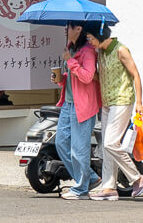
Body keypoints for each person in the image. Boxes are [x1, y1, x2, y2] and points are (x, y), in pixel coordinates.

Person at [85, 24, 143, 200]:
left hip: (122, 101)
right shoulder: (101, 53)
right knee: (106, 147)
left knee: (110, 143)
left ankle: (137, 177)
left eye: (90, 38)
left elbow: (135, 74)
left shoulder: (121, 50)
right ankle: (109, 188)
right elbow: (101, 76)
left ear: (99, 35)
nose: (89, 42)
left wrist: (140, 103)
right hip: (107, 103)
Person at [50, 21, 101, 200]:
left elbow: (87, 77)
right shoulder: (70, 48)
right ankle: (91, 179)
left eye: (69, 27)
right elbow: (74, 77)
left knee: (79, 149)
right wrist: (61, 79)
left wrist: (70, 61)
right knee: (61, 143)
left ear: (78, 29)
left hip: (83, 105)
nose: (65, 29)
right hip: (68, 103)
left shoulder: (87, 51)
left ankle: (81, 190)